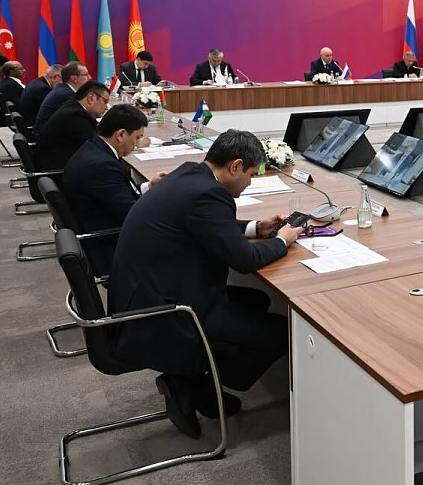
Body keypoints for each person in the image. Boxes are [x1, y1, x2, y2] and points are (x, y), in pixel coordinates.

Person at [108, 130, 304, 439]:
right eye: (251, 175)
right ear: (235, 166)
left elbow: (206, 224)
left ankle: (194, 376)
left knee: (257, 301)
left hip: (146, 292)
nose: (250, 183)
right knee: (281, 333)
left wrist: (255, 227)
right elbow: (245, 260)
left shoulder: (190, 174)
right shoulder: (210, 195)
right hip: (168, 311)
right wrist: (282, 241)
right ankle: (195, 382)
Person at [60, 103, 165, 275]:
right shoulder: (102, 166)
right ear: (121, 134)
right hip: (109, 247)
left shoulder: (95, 148)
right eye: (137, 137)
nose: (137, 144)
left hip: (100, 226)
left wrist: (149, 186)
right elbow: (131, 216)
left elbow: (117, 194)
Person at [35, 81, 110, 170]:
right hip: (58, 171)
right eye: (105, 102)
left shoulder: (73, 107)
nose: (106, 107)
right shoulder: (76, 117)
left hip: (56, 164)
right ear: (91, 98)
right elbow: (98, 149)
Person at [33, 61, 91, 132]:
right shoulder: (67, 95)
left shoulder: (63, 89)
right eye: (86, 75)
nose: (90, 77)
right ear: (74, 78)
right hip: (49, 136)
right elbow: (79, 120)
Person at [19, 64, 62, 128]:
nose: (63, 83)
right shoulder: (43, 89)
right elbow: (52, 112)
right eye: (63, 80)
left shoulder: (37, 82)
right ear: (54, 77)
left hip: (29, 122)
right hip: (34, 127)